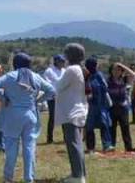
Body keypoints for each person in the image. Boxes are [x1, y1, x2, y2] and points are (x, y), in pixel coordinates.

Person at [0, 52, 56, 183]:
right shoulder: (36, 77)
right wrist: (39, 100)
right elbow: (51, 90)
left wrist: (3, 98)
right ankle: (29, 178)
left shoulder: (10, 76)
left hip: (12, 115)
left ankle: (8, 178)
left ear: (15, 63)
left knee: (11, 148)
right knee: (29, 147)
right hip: (30, 114)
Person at [55, 43, 89, 183]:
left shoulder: (71, 70)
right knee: (77, 144)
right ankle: (80, 173)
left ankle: (77, 176)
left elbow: (58, 86)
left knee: (73, 145)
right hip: (77, 110)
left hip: (71, 112)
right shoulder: (79, 69)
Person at [107, 63, 135, 152]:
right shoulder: (108, 81)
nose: (116, 72)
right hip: (112, 107)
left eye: (119, 70)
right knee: (111, 128)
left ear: (122, 71)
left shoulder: (124, 80)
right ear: (111, 71)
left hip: (123, 107)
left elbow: (134, 75)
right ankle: (111, 146)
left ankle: (128, 147)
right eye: (114, 69)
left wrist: (121, 65)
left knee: (125, 127)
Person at [83, 57, 112, 152]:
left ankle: (107, 145)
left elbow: (105, 87)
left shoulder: (99, 75)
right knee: (89, 126)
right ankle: (90, 147)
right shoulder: (85, 76)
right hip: (90, 105)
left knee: (104, 124)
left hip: (100, 104)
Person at [42, 55, 65, 144]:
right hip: (53, 98)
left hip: (63, 97)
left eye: (63, 61)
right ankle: (49, 139)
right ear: (56, 61)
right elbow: (47, 84)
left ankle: (66, 137)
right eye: (61, 61)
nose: (63, 63)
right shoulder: (49, 71)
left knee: (64, 117)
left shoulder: (64, 71)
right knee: (52, 117)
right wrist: (53, 93)